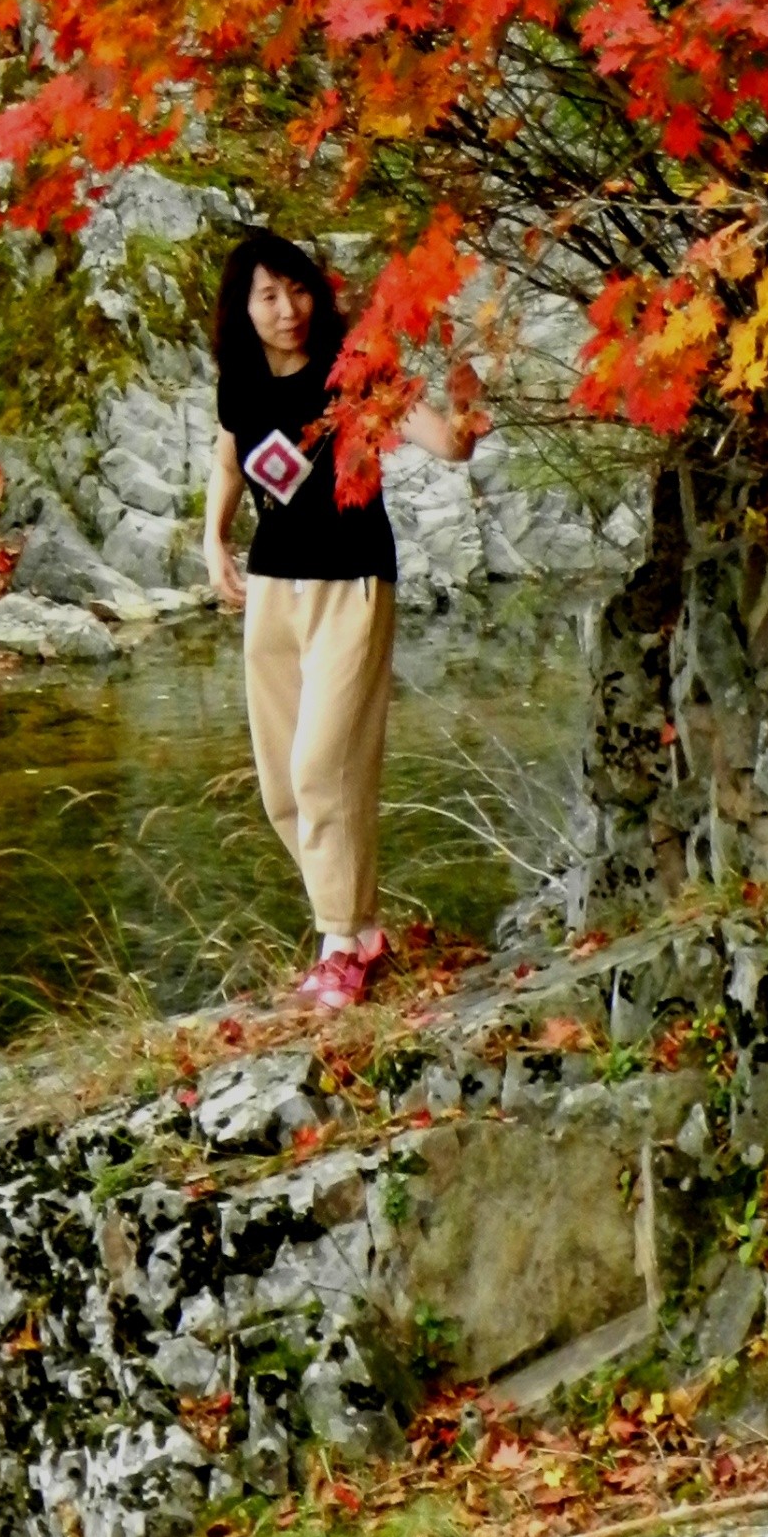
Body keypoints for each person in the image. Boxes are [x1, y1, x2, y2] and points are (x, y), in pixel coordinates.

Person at [204, 229, 483, 1012]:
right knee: (280, 786)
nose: (287, 309)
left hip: (352, 582)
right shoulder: (241, 382)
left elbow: (447, 444)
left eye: (297, 289)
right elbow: (228, 460)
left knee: (323, 768)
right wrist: (213, 538)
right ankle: (360, 932)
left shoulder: (355, 371)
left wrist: (465, 408)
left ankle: (336, 947)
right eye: (267, 296)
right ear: (243, 309)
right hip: (272, 590)